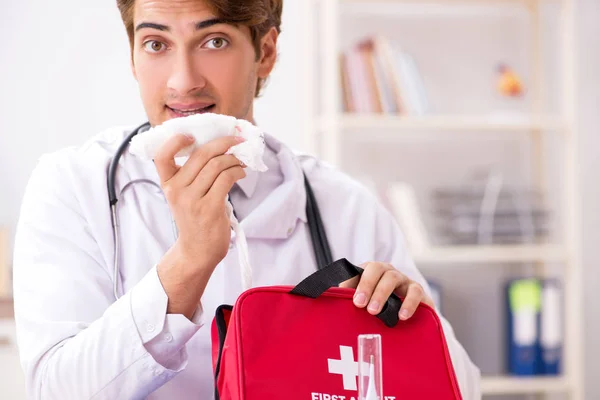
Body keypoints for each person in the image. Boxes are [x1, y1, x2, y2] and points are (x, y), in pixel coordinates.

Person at [12, 0, 481, 399]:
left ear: (266, 52)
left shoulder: (344, 206)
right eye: (156, 44)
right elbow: (55, 389)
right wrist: (189, 263)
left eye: (214, 40)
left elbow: (461, 387)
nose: (183, 81)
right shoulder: (73, 187)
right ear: (133, 58)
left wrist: (406, 327)